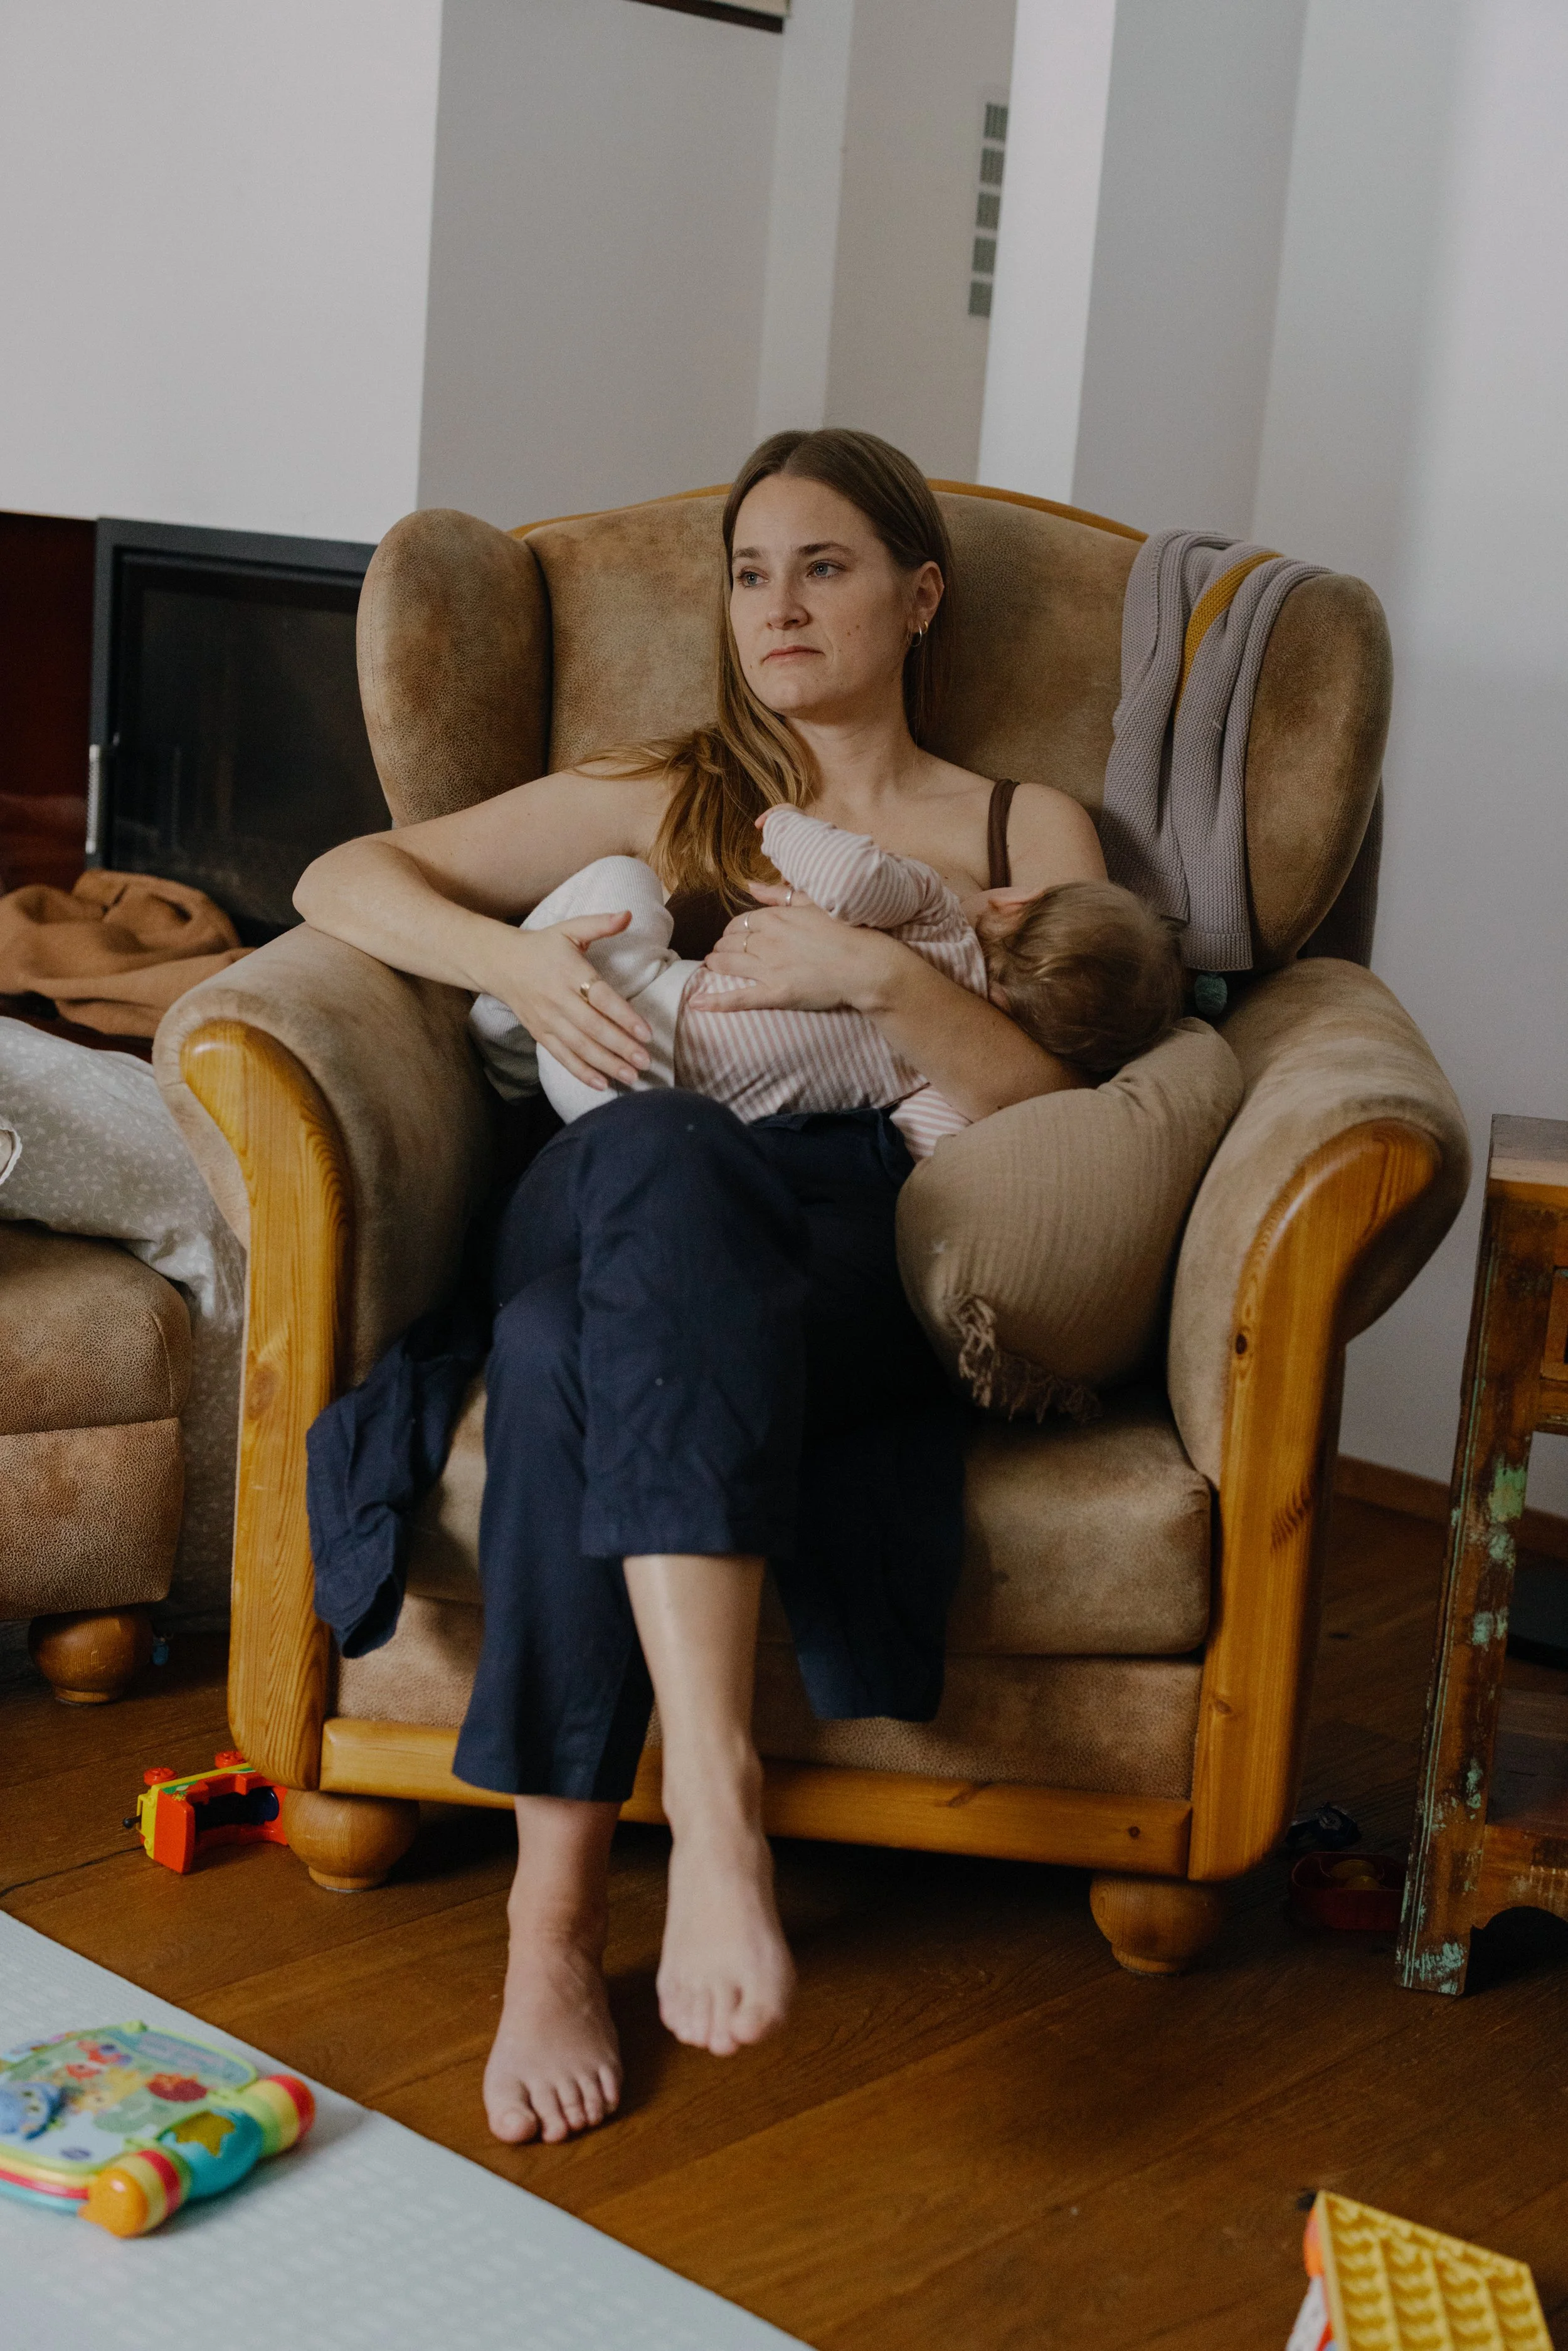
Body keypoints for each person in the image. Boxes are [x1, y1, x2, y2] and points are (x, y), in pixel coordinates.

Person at [293, 427, 1107, 2150]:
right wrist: (515, 955)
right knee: (663, 1159)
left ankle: (553, 1920)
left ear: (920, 594)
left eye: (823, 564)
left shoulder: (1019, 823)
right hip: (608, 1181)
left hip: (850, 1246)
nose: (777, 604)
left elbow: (1073, 1097)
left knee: (552, 1357)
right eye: (748, 571)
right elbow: (340, 878)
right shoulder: (671, 790)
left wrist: (882, 973)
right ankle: (719, 1804)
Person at [469, 804, 1180, 1154]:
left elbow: (852, 875)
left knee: (625, 886)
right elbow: (909, 1152)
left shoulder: (933, 913)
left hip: (602, 1027)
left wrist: (780, 822)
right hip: (651, 1131)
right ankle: (525, 1034)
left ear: (1015, 900)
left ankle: (503, 1047)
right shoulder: (945, 1080)